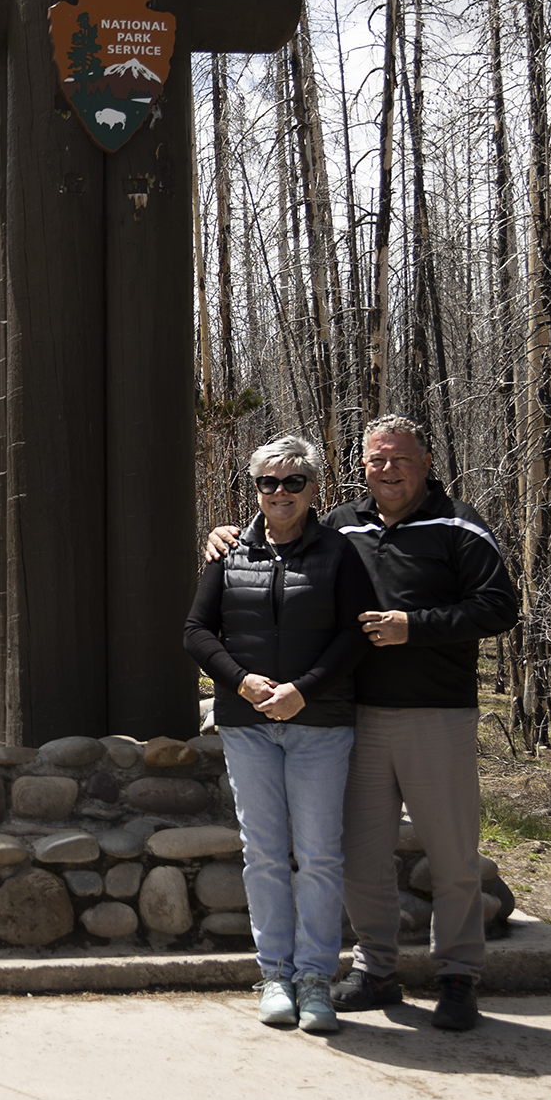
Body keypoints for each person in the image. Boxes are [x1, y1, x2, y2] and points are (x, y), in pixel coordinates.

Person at [205, 414, 518, 1032]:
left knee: (452, 853)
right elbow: (284, 538)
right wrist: (226, 535)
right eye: (377, 460)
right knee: (358, 854)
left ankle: (458, 974)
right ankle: (377, 969)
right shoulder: (345, 526)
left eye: (400, 458)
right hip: (352, 716)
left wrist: (414, 627)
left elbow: (499, 607)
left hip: (435, 713)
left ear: (425, 463)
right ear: (363, 468)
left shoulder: (459, 525)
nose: (388, 470)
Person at [184, 435, 379, 1035]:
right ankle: (274, 975)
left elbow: (355, 635)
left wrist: (304, 691)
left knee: (318, 854)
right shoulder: (229, 552)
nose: (280, 492)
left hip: (319, 725)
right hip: (248, 727)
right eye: (268, 482)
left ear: (314, 488)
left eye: (294, 481)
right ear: (257, 489)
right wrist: (241, 683)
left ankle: (315, 979)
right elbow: (197, 632)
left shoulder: (339, 553)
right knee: (264, 852)